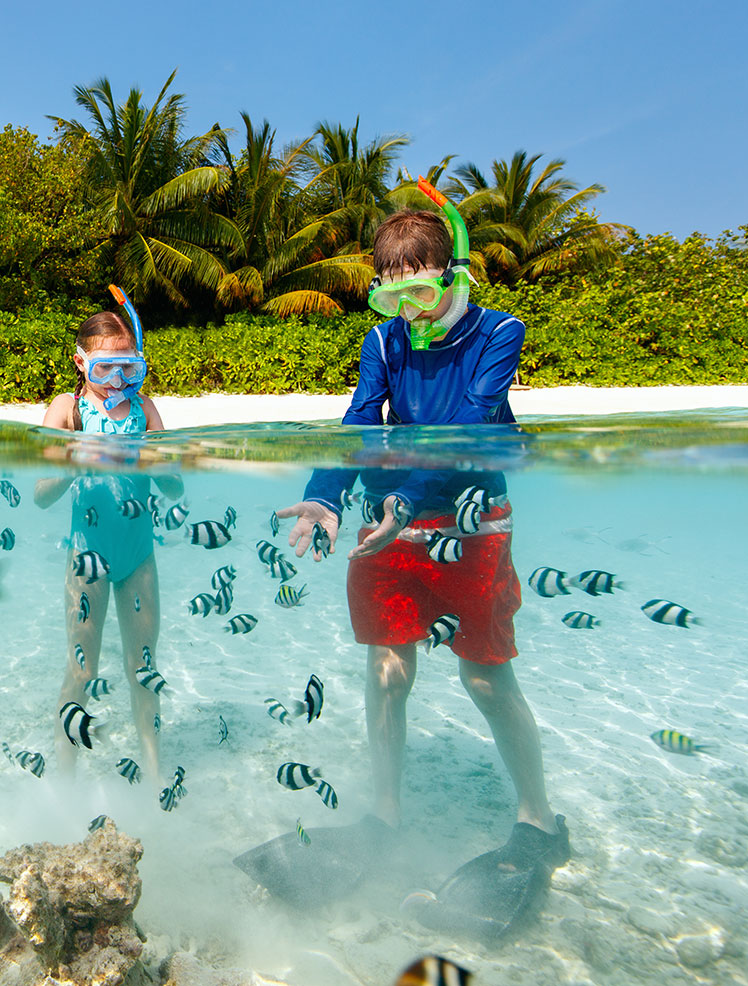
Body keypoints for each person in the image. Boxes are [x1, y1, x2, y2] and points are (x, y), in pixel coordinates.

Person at [240, 178, 567, 939]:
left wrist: (393, 503)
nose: (408, 315)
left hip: (469, 522)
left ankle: (539, 818)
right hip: (390, 524)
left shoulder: (499, 330)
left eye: (419, 294)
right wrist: (326, 496)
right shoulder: (383, 340)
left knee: (486, 679)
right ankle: (383, 815)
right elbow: (362, 417)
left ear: (450, 277)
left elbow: (469, 422)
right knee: (388, 673)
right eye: (392, 301)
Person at [35, 288, 180, 787]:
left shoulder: (145, 408)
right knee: (82, 668)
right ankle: (65, 777)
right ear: (80, 363)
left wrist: (153, 455)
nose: (117, 381)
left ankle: (156, 772)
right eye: (104, 370)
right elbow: (40, 494)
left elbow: (174, 484)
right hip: (87, 559)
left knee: (144, 666)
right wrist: (79, 453)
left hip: (139, 556)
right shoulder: (67, 409)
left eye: (129, 369)